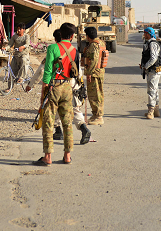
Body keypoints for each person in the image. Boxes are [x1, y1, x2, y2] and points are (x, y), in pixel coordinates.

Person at [27, 29, 91, 145]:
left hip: (57, 84)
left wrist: (31, 85)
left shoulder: (54, 50)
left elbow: (42, 71)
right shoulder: (74, 51)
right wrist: (81, 86)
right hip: (73, 83)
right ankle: (83, 128)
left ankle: (57, 131)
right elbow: (77, 70)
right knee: (75, 109)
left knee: (54, 107)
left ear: (56, 39)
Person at [34, 22, 77, 166]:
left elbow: (47, 70)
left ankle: (48, 157)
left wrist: (44, 89)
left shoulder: (52, 47)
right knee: (67, 122)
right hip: (67, 86)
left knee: (48, 121)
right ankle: (67, 155)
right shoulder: (73, 49)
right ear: (71, 36)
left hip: (53, 86)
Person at [83, 27, 105, 125]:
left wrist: (89, 73)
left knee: (95, 94)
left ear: (88, 36)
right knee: (97, 93)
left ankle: (99, 116)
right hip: (98, 72)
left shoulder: (94, 45)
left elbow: (94, 60)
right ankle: (96, 114)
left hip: (94, 73)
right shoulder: (101, 43)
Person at [140, 27, 161, 119]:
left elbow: (153, 58)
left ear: (148, 34)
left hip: (153, 71)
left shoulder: (152, 44)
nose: (144, 35)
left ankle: (151, 111)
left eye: (145, 33)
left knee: (151, 91)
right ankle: (156, 111)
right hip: (153, 70)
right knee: (155, 90)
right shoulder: (149, 43)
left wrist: (146, 66)